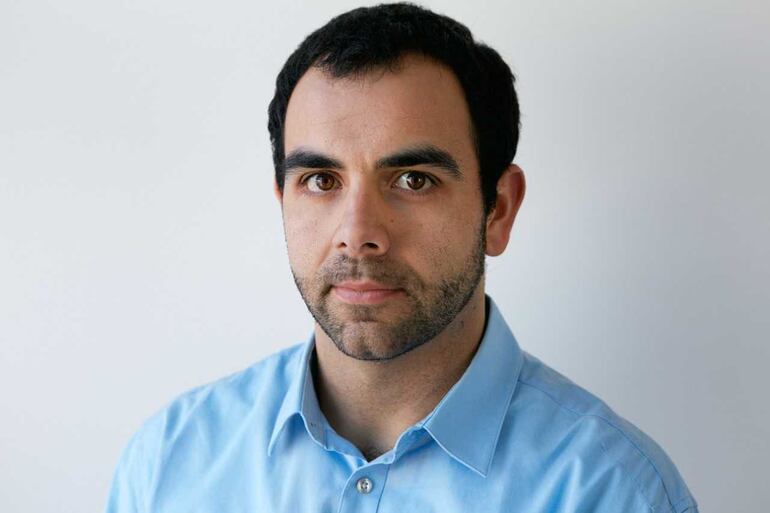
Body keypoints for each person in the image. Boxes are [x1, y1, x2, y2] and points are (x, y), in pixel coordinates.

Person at [105, 3, 699, 512]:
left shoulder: (613, 492)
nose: (357, 234)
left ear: (497, 210)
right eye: (320, 180)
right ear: (283, 200)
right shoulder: (168, 465)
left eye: (413, 180)